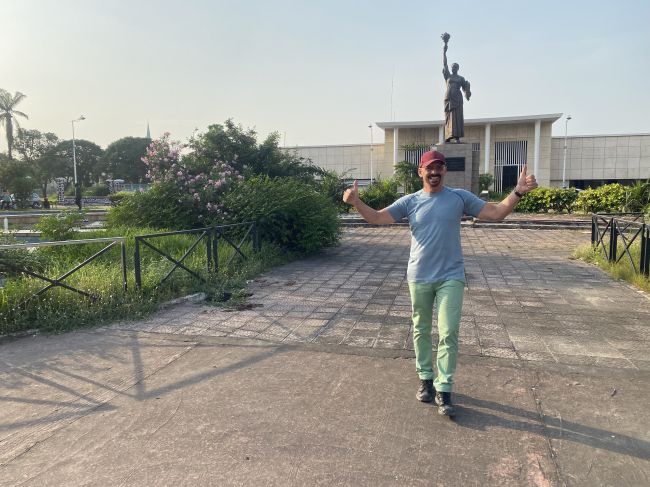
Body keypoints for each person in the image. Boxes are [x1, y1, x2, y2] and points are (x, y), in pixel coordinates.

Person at [342, 150, 537, 416]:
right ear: (420, 172)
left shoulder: (458, 198)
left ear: (444, 171)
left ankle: (444, 389)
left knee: (448, 332)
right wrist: (356, 203)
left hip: (451, 277)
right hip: (419, 276)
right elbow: (376, 218)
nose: (434, 172)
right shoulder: (410, 202)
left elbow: (495, 213)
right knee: (421, 329)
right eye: (429, 168)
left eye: (439, 168)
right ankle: (425, 380)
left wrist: (518, 192)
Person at [443, 42, 471, 143]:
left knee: (457, 117)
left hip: (458, 99)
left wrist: (467, 90)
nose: (453, 68)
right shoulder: (448, 76)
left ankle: (457, 137)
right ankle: (448, 136)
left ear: (458, 68)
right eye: (452, 67)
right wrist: (444, 51)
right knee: (448, 117)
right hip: (449, 98)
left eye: (455, 67)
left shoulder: (461, 78)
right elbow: (444, 64)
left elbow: (465, 89)